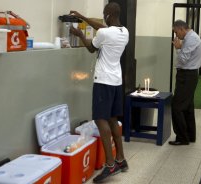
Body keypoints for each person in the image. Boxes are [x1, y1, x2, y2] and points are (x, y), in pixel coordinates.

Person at [69, 2, 129, 183]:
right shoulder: (124, 32)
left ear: (108, 15)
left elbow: (91, 47)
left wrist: (80, 34)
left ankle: (109, 164)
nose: (103, 17)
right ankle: (121, 159)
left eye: (104, 14)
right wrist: (83, 17)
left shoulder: (104, 33)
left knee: (100, 119)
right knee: (112, 119)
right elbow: (103, 29)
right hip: (116, 82)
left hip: (103, 82)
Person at [169, 20, 201, 146]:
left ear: (182, 28)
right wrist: (181, 47)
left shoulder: (191, 39)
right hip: (188, 75)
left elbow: (183, 59)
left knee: (177, 106)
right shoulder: (191, 38)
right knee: (187, 106)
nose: (176, 35)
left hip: (187, 76)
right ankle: (190, 135)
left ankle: (182, 138)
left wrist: (178, 49)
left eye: (176, 32)